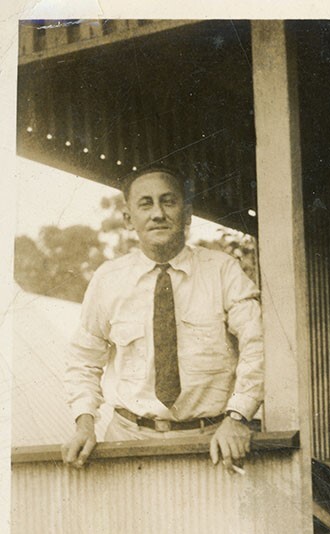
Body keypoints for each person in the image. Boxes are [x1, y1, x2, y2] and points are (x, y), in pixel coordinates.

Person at [61, 165, 264, 474]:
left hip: (212, 443)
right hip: (127, 443)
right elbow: (83, 360)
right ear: (129, 219)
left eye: (168, 201)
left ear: (187, 214)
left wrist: (238, 418)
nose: (158, 213)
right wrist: (85, 423)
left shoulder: (222, 271)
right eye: (146, 203)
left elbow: (258, 344)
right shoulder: (108, 280)